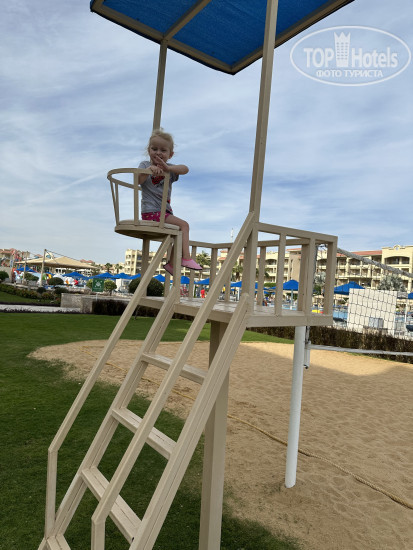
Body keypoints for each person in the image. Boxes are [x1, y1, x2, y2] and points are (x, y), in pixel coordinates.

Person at [138, 129, 202, 275]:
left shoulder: (170, 170)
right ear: (149, 151)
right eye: (154, 149)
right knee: (184, 225)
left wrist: (168, 168)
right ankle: (186, 258)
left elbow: (185, 169)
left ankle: (172, 264)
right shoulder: (144, 164)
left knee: (179, 231)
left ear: (170, 154)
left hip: (164, 213)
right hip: (151, 212)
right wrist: (148, 170)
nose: (158, 153)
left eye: (163, 150)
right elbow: (138, 180)